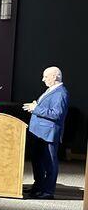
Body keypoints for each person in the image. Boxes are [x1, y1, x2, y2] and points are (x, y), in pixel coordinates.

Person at [23, 66, 69, 200]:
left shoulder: (61, 93)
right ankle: (38, 187)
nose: (43, 80)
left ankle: (48, 192)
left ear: (55, 77)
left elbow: (57, 114)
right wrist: (36, 106)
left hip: (49, 134)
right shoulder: (51, 90)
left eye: (46, 76)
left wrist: (36, 108)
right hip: (40, 133)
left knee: (49, 163)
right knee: (38, 162)